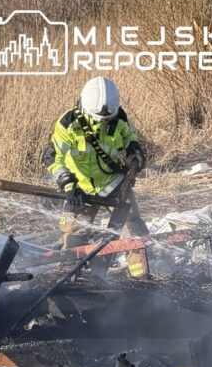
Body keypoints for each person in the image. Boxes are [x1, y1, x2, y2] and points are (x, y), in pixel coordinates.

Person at [48, 77, 147, 256]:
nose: (102, 122)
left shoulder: (119, 118)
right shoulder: (68, 123)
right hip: (80, 188)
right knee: (75, 239)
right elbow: (54, 157)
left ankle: (142, 276)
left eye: (106, 119)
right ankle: (73, 277)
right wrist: (68, 184)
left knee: (136, 232)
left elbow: (130, 139)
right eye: (97, 118)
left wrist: (135, 153)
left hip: (114, 184)